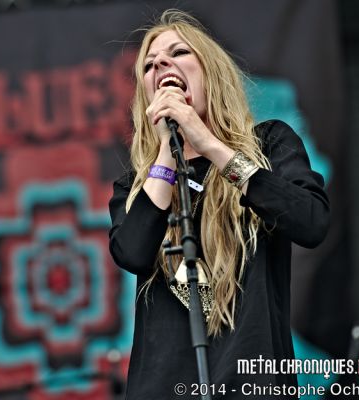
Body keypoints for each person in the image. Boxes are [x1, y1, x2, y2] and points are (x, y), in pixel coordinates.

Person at [108, 9, 330, 399]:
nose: (161, 64)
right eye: (149, 64)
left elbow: (310, 221)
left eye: (178, 52)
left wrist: (209, 144)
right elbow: (133, 252)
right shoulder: (138, 187)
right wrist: (166, 152)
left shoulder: (269, 146)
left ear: (210, 73)